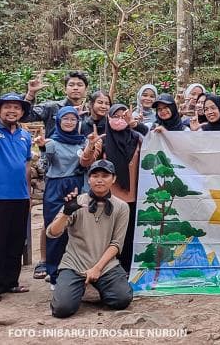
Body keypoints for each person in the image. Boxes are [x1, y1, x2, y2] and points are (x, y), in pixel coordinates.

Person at [48, 160, 132, 318]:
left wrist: (97, 268)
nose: (99, 179)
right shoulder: (77, 202)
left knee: (122, 299)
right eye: (95, 175)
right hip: (75, 262)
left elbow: (116, 244)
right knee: (62, 309)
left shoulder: (121, 207)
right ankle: (75, 287)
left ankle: (95, 285)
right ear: (89, 179)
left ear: (113, 179)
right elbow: (52, 233)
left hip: (106, 265)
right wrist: (66, 213)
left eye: (105, 175)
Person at [36, 106, 94, 286]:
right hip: (56, 187)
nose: (69, 122)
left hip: (78, 185)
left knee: (78, 230)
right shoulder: (52, 142)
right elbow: (44, 164)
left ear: (78, 122)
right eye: (65, 119)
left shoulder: (82, 142)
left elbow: (87, 162)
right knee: (56, 229)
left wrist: (92, 146)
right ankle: (54, 274)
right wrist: (43, 148)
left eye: (73, 119)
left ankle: (78, 271)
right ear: (59, 121)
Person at [90, 104, 144, 273]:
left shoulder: (137, 139)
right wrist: (90, 146)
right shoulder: (103, 141)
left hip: (132, 196)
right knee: (107, 235)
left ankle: (127, 269)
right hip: (108, 197)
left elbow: (155, 143)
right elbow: (86, 162)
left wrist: (136, 125)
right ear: (108, 118)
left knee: (128, 236)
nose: (120, 119)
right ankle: (106, 270)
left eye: (123, 116)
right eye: (116, 115)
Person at [0, 93, 33, 302]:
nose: (12, 111)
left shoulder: (24, 135)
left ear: (22, 113)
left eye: (17, 108)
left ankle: (10, 282)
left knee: (16, 240)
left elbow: (27, 164)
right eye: (7, 107)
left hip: (20, 196)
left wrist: (28, 193)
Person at [24, 71, 90, 137]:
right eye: (71, 85)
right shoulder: (52, 107)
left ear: (86, 89)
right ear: (65, 89)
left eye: (80, 85)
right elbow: (26, 117)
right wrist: (31, 94)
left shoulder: (89, 112)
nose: (75, 88)